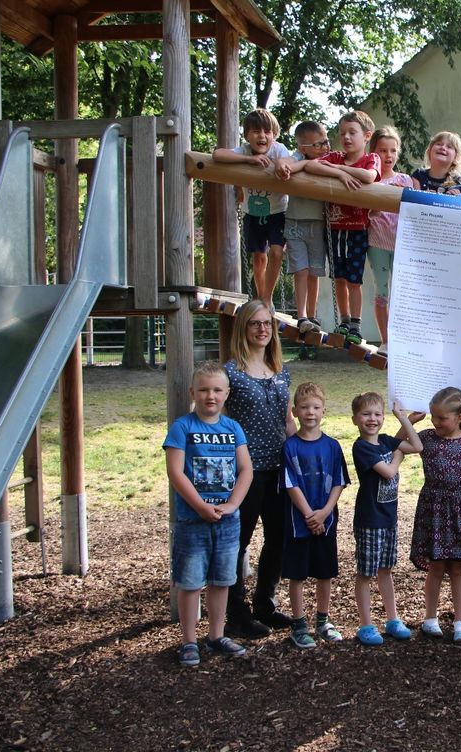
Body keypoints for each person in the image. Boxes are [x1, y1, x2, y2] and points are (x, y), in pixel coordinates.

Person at [163, 362, 253, 667]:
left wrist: (231, 505)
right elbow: (176, 472)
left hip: (228, 521)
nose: (210, 396)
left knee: (222, 580)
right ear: (192, 393)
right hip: (192, 521)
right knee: (189, 583)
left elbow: (245, 470)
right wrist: (200, 507)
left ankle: (215, 635)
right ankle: (189, 640)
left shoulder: (233, 428)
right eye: (203, 390)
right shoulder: (183, 428)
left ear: (227, 393)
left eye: (216, 390)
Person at [223, 299, 297, 639]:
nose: (262, 329)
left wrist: (303, 453)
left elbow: (287, 418)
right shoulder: (230, 373)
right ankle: (235, 614)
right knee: (238, 541)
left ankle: (265, 604)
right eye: (255, 323)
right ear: (244, 328)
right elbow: (211, 417)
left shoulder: (280, 370)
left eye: (267, 323)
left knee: (279, 537)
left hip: (280, 467)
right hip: (246, 471)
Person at [410, 387, 461, 642]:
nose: (435, 422)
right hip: (432, 507)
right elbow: (397, 444)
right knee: (435, 566)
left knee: (457, 567)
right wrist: (408, 421)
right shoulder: (425, 438)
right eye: (433, 417)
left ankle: (459, 620)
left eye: (441, 418)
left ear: (459, 416)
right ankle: (430, 619)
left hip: (460, 509)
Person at [349, 392, 423, 646]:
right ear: (355, 420)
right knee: (366, 573)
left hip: (389, 519)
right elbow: (389, 472)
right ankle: (366, 625)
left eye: (377, 414)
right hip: (369, 520)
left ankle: (392, 619)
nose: (372, 419)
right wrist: (398, 453)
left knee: (386, 570)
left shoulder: (384, 441)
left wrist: (404, 419)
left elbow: (417, 446)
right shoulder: (362, 447)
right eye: (366, 414)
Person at [281, 382, 349, 648]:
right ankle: (298, 624)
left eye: (316, 407)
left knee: (324, 573)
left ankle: (323, 620)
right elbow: (290, 484)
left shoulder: (332, 446)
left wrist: (324, 512)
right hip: (299, 523)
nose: (311, 412)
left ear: (324, 411)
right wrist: (310, 515)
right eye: (305, 407)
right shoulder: (290, 447)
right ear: (295, 412)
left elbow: (339, 481)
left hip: (326, 521)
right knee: (297, 575)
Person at [303, 109, 380, 345]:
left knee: (354, 279)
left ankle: (355, 324)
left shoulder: (370, 159)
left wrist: (340, 171)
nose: (346, 137)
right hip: (334, 228)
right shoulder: (335, 157)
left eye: (352, 133)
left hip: (357, 229)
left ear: (367, 136)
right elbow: (311, 167)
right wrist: (338, 170)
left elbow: (368, 177)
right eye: (342, 133)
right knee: (338, 277)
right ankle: (344, 319)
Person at [212, 108, 290, 308]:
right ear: (247, 135)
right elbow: (217, 154)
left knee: (276, 253)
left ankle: (267, 297)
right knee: (258, 258)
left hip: (278, 212)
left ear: (274, 135)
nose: (262, 136)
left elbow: (289, 161)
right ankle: (261, 295)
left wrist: (281, 165)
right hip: (252, 213)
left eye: (267, 132)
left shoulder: (278, 150)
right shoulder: (244, 151)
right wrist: (248, 160)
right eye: (256, 131)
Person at [276, 120, 329, 358]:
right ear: (303, 146)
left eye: (326, 141)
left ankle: (312, 315)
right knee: (301, 270)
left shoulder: (328, 159)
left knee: (315, 271)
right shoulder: (296, 157)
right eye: (320, 143)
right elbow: (285, 163)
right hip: (296, 222)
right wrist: (295, 164)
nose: (326, 146)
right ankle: (302, 315)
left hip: (318, 223)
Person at [365, 126, 416, 354]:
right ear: (373, 152)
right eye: (383, 150)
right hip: (377, 243)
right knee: (382, 292)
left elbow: (414, 213)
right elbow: (366, 213)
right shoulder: (370, 179)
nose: (388, 155)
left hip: (401, 245)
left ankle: (404, 340)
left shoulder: (405, 180)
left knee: (403, 294)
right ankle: (385, 341)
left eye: (393, 150)